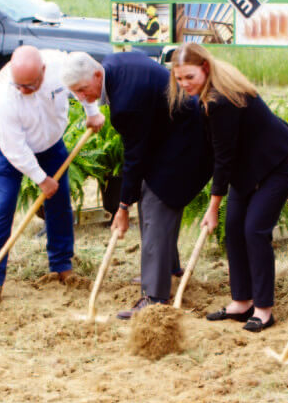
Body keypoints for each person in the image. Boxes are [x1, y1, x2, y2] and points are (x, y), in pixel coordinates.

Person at [61, 50, 211, 319]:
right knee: (153, 196)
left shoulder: (125, 103)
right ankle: (168, 268)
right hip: (172, 133)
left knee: (156, 200)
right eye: (76, 94)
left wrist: (122, 206)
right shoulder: (114, 64)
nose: (82, 98)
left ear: (97, 75)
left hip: (189, 142)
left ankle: (154, 297)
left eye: (83, 90)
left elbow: (134, 157)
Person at [168, 43, 288, 332]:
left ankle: (263, 309)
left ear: (204, 69)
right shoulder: (204, 95)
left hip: (276, 162)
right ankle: (242, 301)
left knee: (255, 230)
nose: (184, 84)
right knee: (234, 228)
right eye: (178, 79)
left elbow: (222, 158)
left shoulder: (221, 100)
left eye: (189, 77)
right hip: (247, 168)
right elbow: (218, 152)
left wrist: (212, 207)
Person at [0, 45, 104, 305]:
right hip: (5, 147)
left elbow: (81, 83)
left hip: (50, 143)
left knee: (60, 203)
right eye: (19, 86)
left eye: (30, 85)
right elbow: (14, 148)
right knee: (3, 206)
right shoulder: (2, 96)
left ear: (44, 71)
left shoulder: (60, 65)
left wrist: (92, 113)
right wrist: (41, 178)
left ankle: (61, 264)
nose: (23, 91)